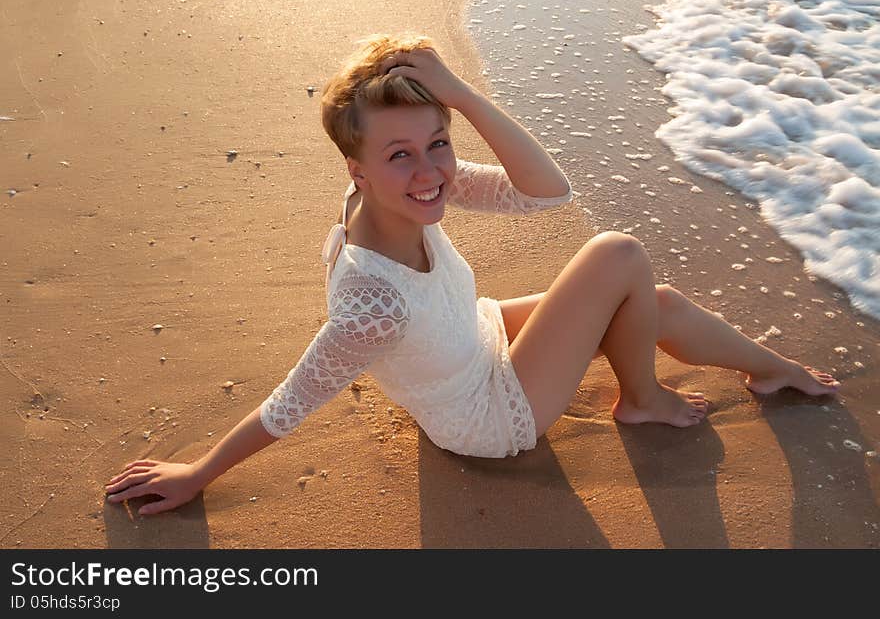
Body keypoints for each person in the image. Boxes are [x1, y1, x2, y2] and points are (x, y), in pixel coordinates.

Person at [105, 33, 840, 516]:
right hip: (489, 414)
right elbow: (292, 401)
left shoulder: (407, 192)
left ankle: (773, 371)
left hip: (477, 337)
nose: (429, 172)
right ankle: (641, 397)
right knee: (618, 254)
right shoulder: (372, 303)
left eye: (439, 143)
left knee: (651, 296)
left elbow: (547, 192)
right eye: (401, 154)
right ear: (355, 169)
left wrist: (461, 95)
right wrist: (199, 471)